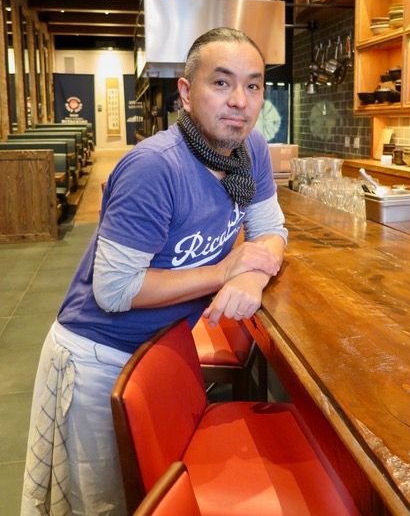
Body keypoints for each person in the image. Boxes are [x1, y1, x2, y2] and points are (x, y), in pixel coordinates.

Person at [21, 27, 288, 515]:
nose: (240, 101)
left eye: (253, 85)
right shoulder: (154, 167)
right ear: (186, 92)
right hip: (98, 357)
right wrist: (226, 270)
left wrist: (252, 274)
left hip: (165, 348)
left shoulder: (251, 151)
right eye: (221, 83)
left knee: (147, 493)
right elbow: (114, 290)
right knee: (103, 503)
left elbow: (270, 229)